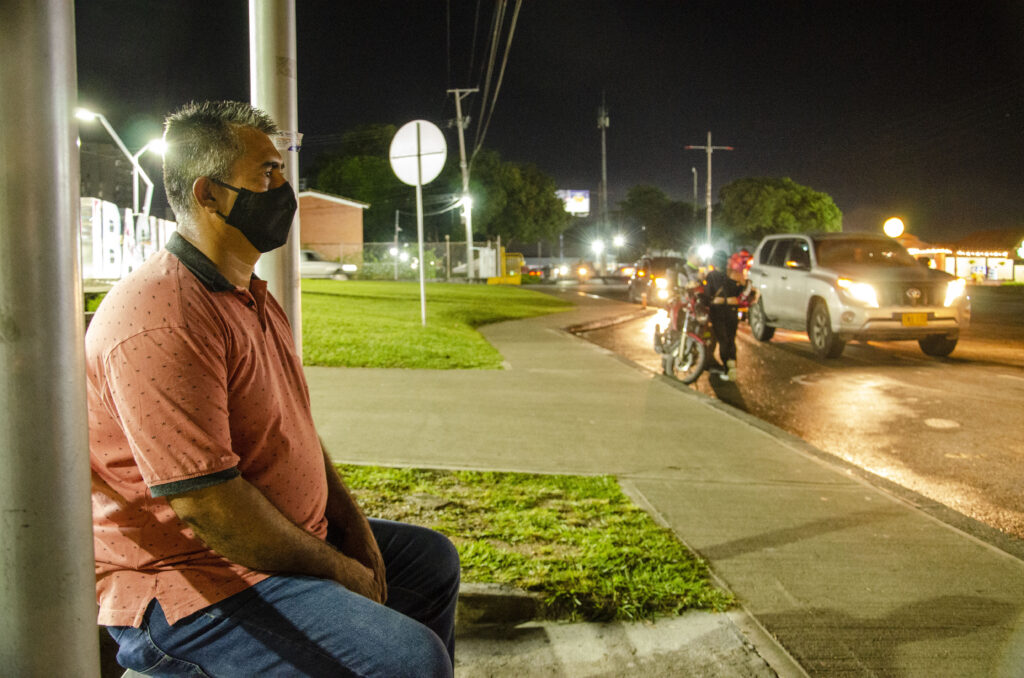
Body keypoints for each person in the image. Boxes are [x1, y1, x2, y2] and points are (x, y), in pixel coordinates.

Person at [86, 101, 459, 677]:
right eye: (266, 174)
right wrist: (339, 571)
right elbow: (209, 504)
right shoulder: (164, 315)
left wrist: (355, 536)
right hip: (196, 584)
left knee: (430, 561)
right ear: (209, 194)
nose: (283, 188)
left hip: (270, 550)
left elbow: (299, 433)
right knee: (407, 660)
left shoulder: (248, 295)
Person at [703, 250, 746, 381]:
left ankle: (726, 370)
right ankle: (732, 366)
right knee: (731, 338)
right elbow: (743, 290)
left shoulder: (711, 276)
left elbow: (707, 294)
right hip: (733, 309)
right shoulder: (735, 275)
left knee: (722, 339)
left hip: (718, 309)